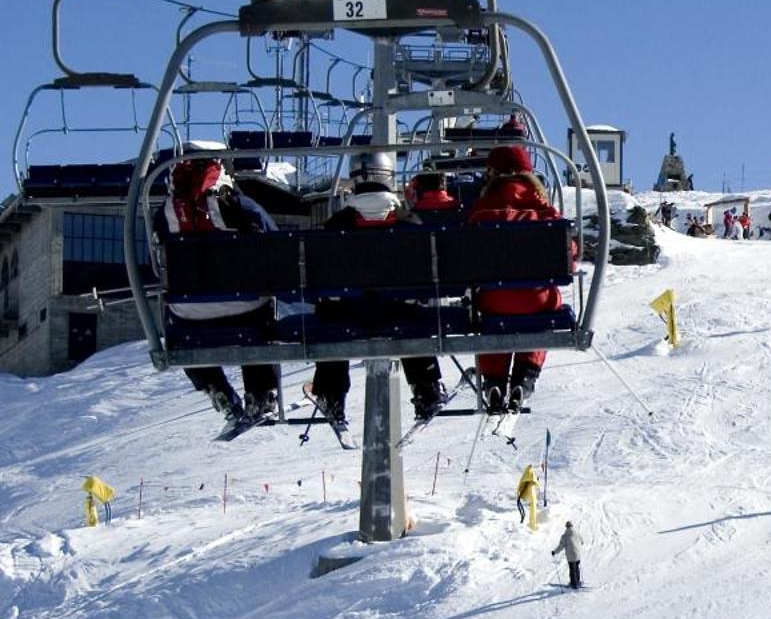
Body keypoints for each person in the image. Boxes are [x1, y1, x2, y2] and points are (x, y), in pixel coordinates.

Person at [309, 154, 451, 427]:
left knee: (329, 315)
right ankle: (426, 389)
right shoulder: (408, 225)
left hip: (347, 315)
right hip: (398, 315)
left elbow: (319, 281)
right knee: (413, 315)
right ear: (389, 176)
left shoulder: (334, 226)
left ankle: (331, 393)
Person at [158, 156, 283, 428]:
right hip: (245, 310)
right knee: (260, 318)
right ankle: (260, 393)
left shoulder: (166, 213)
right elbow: (274, 242)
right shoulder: (239, 206)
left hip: (189, 315)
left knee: (181, 331)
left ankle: (215, 386)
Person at [468, 142, 566, 414]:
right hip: (538, 299)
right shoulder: (545, 211)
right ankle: (526, 375)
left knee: (490, 315)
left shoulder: (481, 211)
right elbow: (569, 253)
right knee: (540, 313)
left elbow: (465, 257)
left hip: (494, 302)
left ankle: (494, 381)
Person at [551, 520, 582, 589]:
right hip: (578, 555)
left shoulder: (565, 536)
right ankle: (578, 581)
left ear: (566, 527)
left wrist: (554, 552)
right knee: (576, 568)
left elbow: (561, 546)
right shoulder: (577, 533)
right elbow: (582, 541)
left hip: (571, 556)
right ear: (572, 526)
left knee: (572, 570)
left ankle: (574, 584)